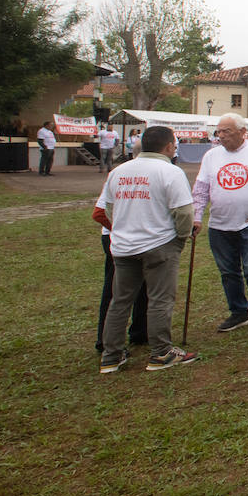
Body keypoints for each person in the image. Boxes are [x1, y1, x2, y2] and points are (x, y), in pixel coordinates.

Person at [97, 126, 197, 372]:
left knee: (120, 301)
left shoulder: (118, 171)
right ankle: (161, 353)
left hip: (123, 246)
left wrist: (121, 229)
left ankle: (111, 355)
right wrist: (180, 239)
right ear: (169, 146)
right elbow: (184, 212)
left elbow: (107, 208)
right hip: (159, 244)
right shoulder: (170, 172)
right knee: (160, 299)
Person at [194, 112, 248, 335]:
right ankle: (239, 312)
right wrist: (196, 216)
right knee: (228, 272)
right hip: (219, 225)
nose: (221, 136)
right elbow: (201, 189)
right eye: (219, 132)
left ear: (243, 132)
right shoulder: (211, 156)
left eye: (227, 131)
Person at [93, 177, 148, 354]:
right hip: (117, 239)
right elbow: (99, 213)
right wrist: (121, 230)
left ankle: (140, 332)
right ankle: (104, 340)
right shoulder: (119, 177)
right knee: (115, 288)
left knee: (145, 284)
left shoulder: (151, 175)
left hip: (142, 238)